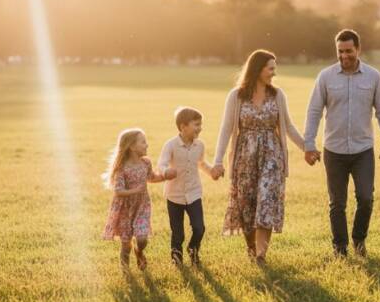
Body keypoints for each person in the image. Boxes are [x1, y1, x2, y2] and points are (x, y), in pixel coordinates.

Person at [303, 29, 380, 258]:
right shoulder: (325, 77)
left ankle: (359, 239)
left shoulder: (373, 76)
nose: (344, 56)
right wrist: (309, 143)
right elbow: (314, 111)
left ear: (358, 49)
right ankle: (340, 248)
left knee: (365, 197)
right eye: (340, 51)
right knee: (337, 203)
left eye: (349, 51)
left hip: (362, 149)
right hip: (333, 150)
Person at [213, 49, 305, 265]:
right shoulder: (236, 96)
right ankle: (252, 248)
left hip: (272, 155)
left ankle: (261, 255)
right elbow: (226, 129)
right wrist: (217, 160)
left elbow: (288, 126)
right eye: (270, 68)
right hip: (244, 156)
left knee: (267, 200)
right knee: (246, 205)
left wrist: (307, 147)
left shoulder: (277, 95)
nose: (274, 73)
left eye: (275, 68)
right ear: (258, 69)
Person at [102, 128, 175, 270]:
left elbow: (151, 177)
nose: (147, 145)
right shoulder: (121, 168)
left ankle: (139, 250)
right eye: (143, 142)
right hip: (125, 208)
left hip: (142, 206)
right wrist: (135, 190)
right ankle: (125, 271)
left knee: (142, 238)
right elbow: (118, 191)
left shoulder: (145, 163)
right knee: (125, 244)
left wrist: (165, 176)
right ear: (131, 146)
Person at [157, 107, 215, 266]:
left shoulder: (199, 145)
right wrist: (165, 171)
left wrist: (212, 172)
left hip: (194, 193)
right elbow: (161, 164)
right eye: (196, 124)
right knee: (178, 233)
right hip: (174, 196)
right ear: (183, 127)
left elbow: (202, 163)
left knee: (199, 228)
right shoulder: (171, 145)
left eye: (200, 124)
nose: (200, 128)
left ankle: (193, 249)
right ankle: (176, 259)